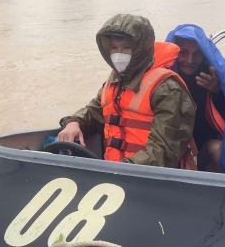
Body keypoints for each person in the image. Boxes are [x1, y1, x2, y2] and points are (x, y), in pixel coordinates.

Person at [57, 14, 196, 168]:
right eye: (114, 48)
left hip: (155, 179)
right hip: (116, 174)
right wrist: (74, 122)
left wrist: (121, 170)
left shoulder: (167, 89)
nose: (118, 54)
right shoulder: (114, 82)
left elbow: (163, 151)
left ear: (141, 49)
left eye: (126, 48)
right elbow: (94, 112)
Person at [165, 24, 225, 175]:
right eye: (183, 53)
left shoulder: (211, 76)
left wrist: (217, 92)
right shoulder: (163, 78)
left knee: (218, 149)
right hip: (173, 149)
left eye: (197, 54)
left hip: (202, 150)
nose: (190, 60)